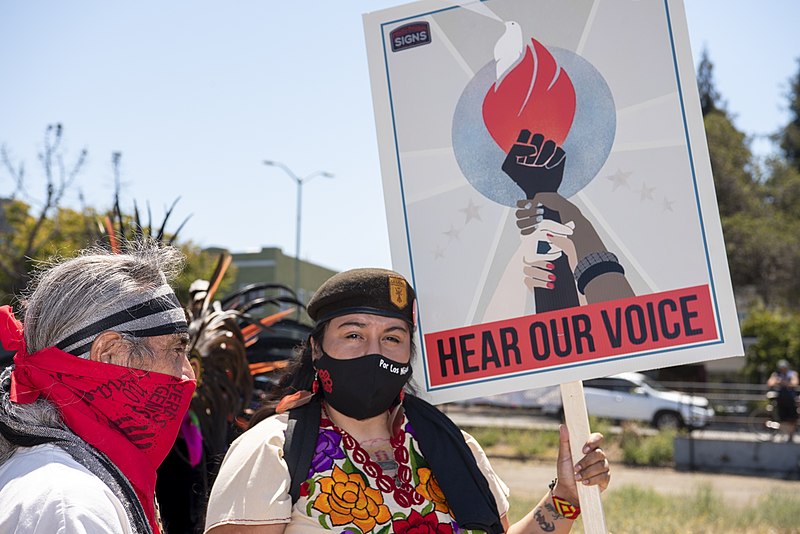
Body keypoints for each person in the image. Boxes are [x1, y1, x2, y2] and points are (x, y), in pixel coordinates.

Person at [204, 268, 610, 533]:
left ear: (409, 354)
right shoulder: (270, 451)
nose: (373, 351)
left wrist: (566, 499)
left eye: (392, 338)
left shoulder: (453, 446)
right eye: (353, 334)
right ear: (315, 349)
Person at [0, 244, 197, 533]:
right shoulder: (69, 505)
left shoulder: (67, 489)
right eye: (177, 350)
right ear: (109, 353)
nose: (188, 374)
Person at [767, 359, 798, 441]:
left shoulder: (792, 374)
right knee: (782, 419)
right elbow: (770, 383)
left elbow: (795, 383)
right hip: (780, 399)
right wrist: (777, 381)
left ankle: (791, 436)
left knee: (792, 419)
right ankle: (784, 435)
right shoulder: (776, 374)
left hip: (790, 399)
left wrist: (785, 383)